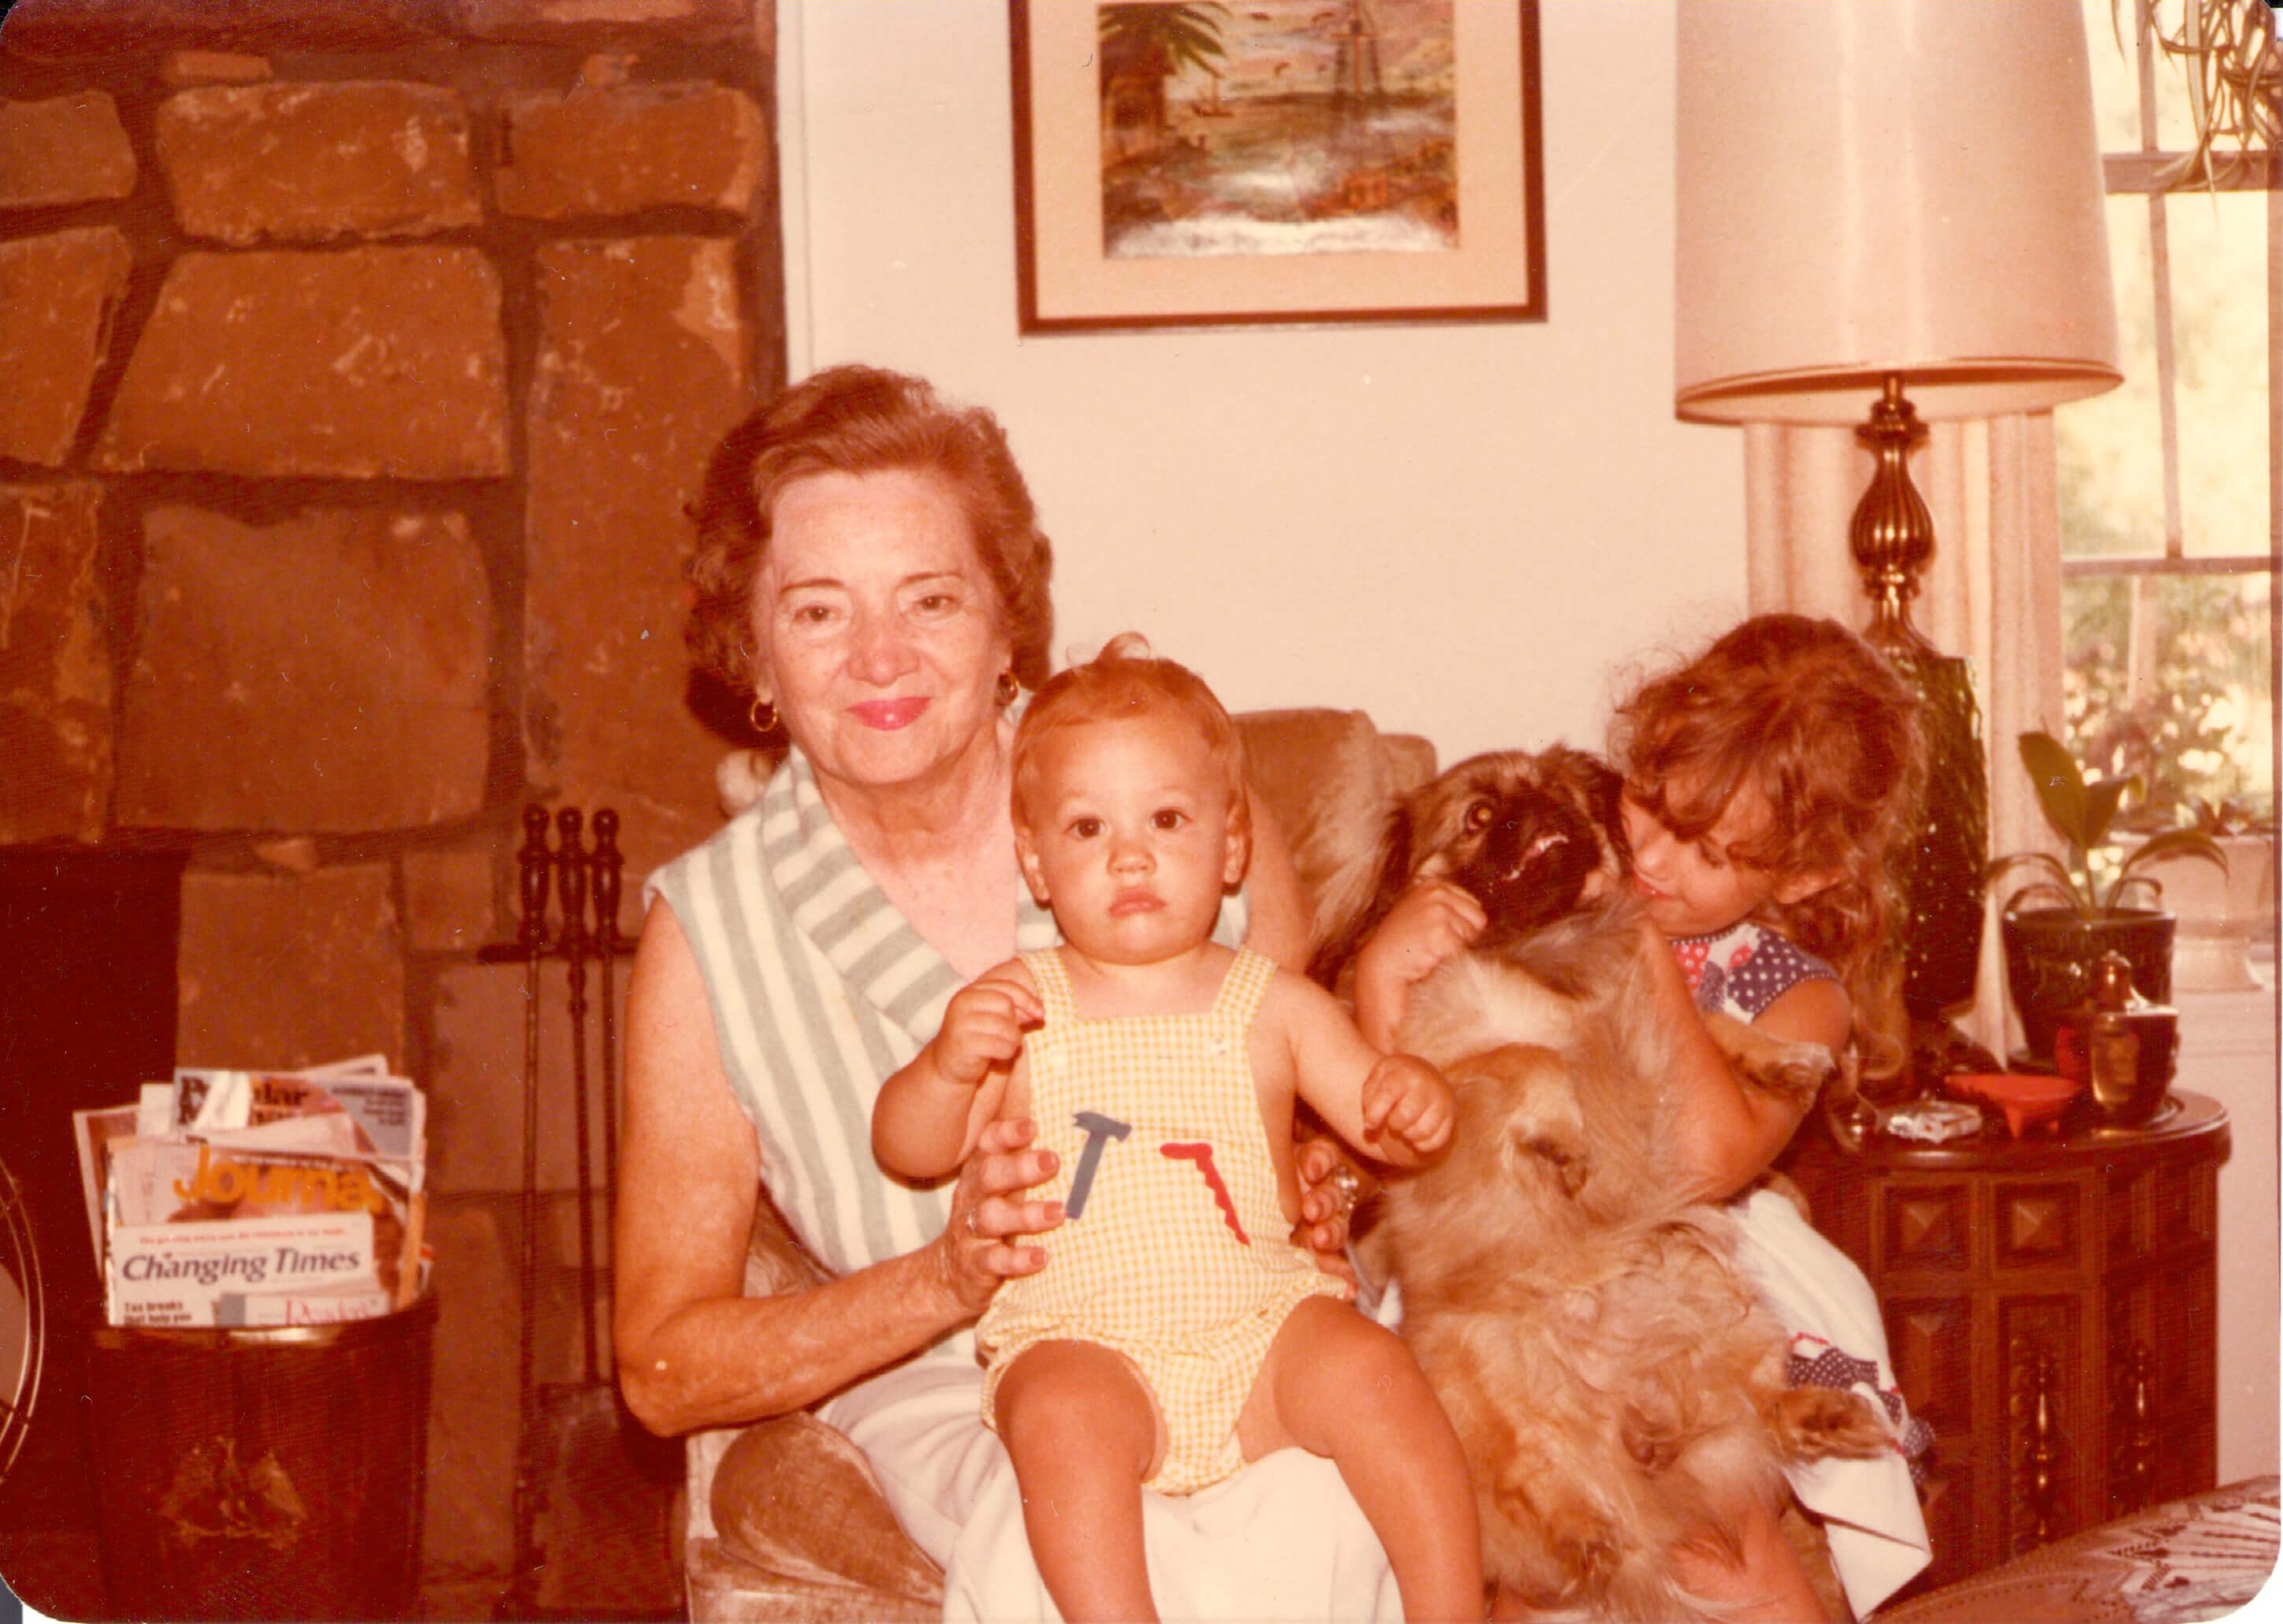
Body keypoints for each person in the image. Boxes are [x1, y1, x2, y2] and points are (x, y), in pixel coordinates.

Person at [613, 364, 1398, 1622]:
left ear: (1003, 622)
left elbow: (1300, 1078)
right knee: (1090, 1548)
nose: (882, 656)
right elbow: (660, 1364)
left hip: (1247, 1311)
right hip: (962, 1369)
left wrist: (1319, 1175)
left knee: (1350, 1497)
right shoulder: (709, 933)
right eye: (817, 613)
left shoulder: (1168, 795)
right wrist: (946, 1275)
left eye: (930, 599)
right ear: (752, 651)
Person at [872, 637, 1481, 1623]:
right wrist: (944, 1066)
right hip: (1085, 1341)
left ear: (1232, 844)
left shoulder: (1273, 1002)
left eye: (1166, 817)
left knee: (1374, 1370)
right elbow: (910, 1148)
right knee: (1058, 1423)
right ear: (1035, 861)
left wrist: (1416, 1099)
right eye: (1085, 826)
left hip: (1261, 1330)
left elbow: (1380, 1116)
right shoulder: (1022, 1005)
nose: (1129, 853)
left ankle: (1451, 1609)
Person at [1351, 613, 1935, 1622]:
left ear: (1797, 876)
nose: (1654, 856)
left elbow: (1704, 1155)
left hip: (1681, 1251)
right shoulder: (1508, 924)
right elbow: (1394, 1114)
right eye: (1650, 808)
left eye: (1707, 850)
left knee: (1718, 1522)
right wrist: (1382, 965)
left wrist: (1634, 935)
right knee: (1480, 1468)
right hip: (1502, 1247)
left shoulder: (1795, 994)